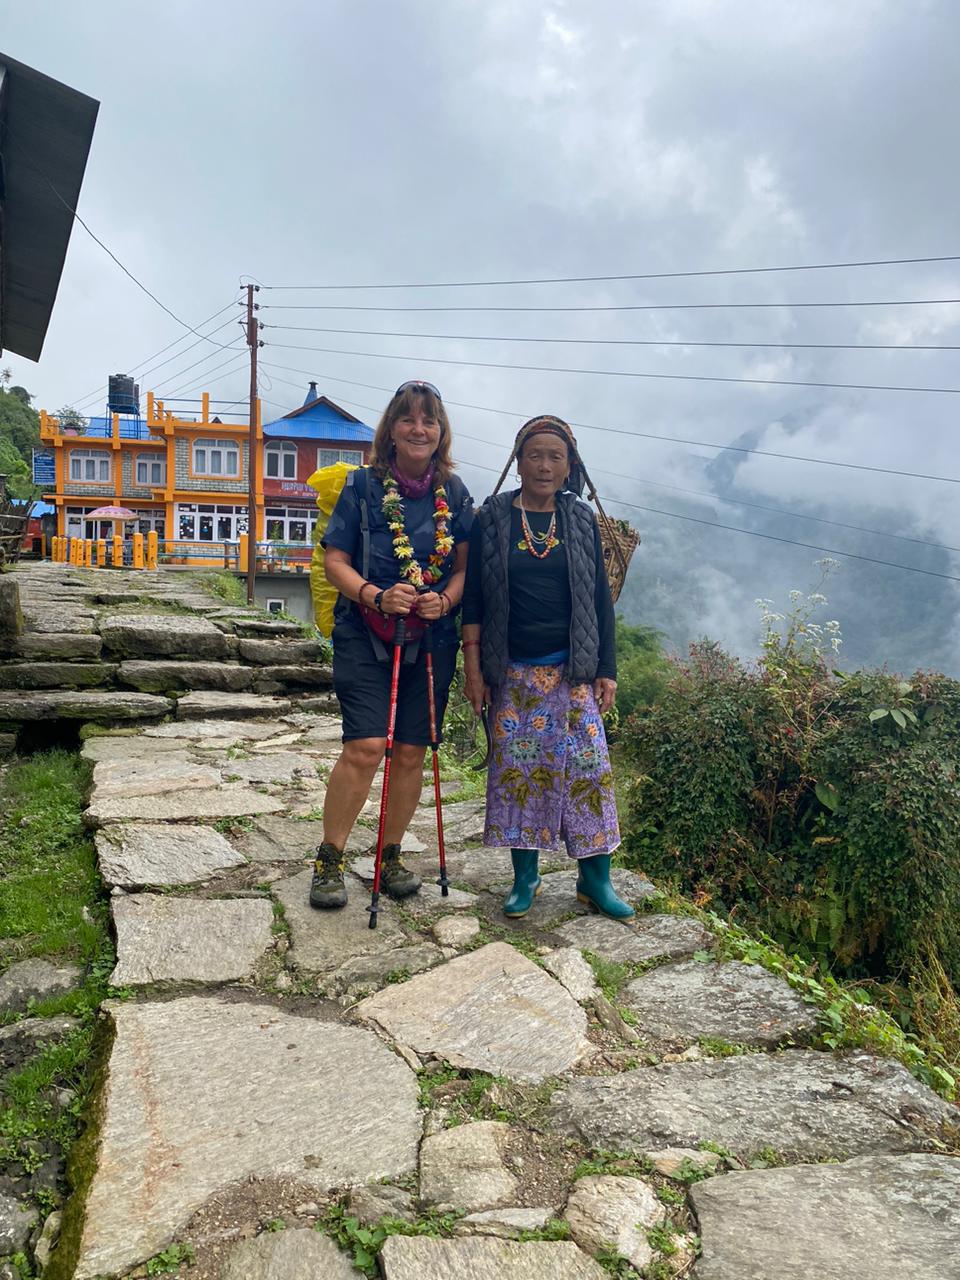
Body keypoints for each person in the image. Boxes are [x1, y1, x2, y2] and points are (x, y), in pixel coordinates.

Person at [461, 415, 632, 921]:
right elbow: (472, 599)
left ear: (569, 466)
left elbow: (599, 599)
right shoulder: (491, 517)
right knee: (521, 778)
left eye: (555, 457)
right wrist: (473, 670)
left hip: (573, 673)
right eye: (534, 454)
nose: (544, 465)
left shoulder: (579, 520)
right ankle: (525, 876)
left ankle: (594, 881)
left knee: (590, 774)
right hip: (512, 675)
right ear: (517, 461)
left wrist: (607, 667)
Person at [311, 380, 473, 909]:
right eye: (408, 419)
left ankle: (390, 854)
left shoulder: (456, 494)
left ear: (441, 431)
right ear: (392, 429)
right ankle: (330, 860)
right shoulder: (362, 487)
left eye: (429, 420)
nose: (419, 428)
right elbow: (336, 560)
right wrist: (377, 595)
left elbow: (464, 570)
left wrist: (443, 601)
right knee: (364, 747)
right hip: (365, 633)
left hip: (431, 639)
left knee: (409, 753)